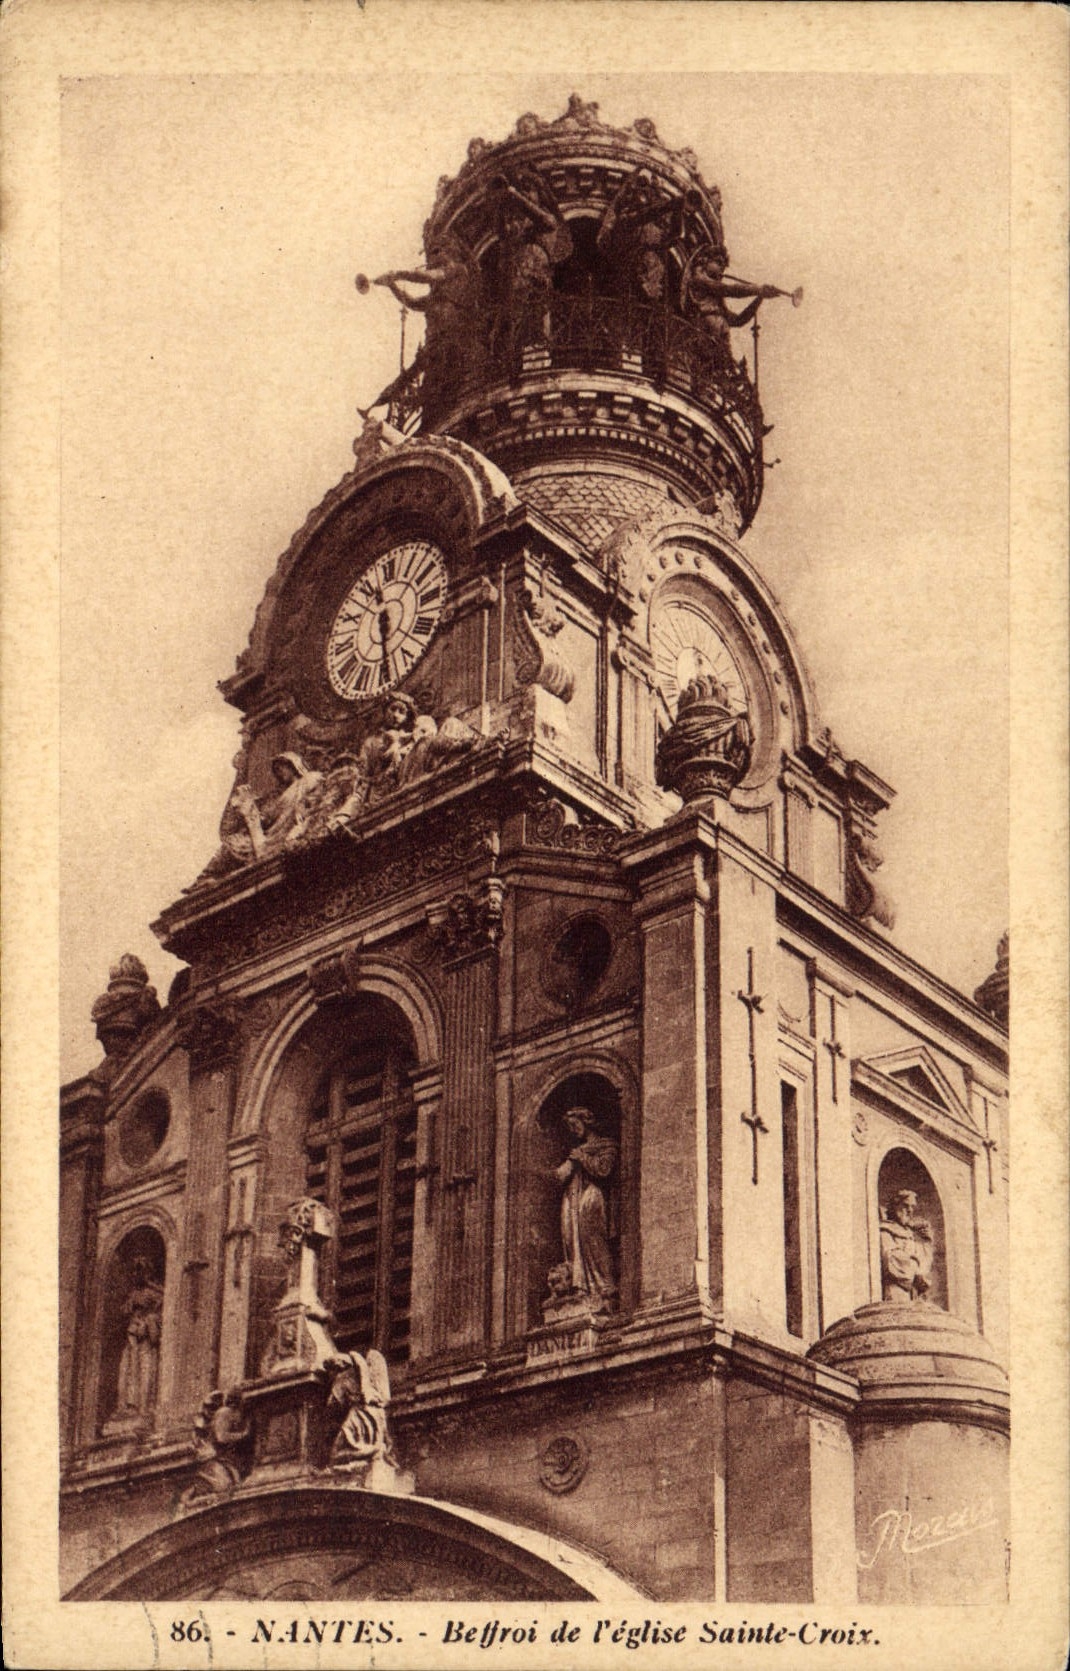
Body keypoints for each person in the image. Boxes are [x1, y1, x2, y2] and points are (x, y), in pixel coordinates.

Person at [548, 1108, 619, 1311]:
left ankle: (603, 1286)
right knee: (571, 1239)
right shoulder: (576, 1152)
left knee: (592, 1239)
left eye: (574, 1124)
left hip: (591, 1196)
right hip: (572, 1198)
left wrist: (582, 1158)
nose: (572, 1130)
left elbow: (603, 1170)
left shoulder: (606, 1146)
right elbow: (559, 1177)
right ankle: (580, 1285)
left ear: (586, 1121)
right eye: (569, 1127)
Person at [113, 1256, 164, 1418]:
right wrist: (133, 1319)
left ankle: (144, 1407)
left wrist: (148, 1323)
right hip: (132, 1339)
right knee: (128, 1371)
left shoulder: (156, 1293)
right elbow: (124, 1311)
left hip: (146, 1340)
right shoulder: (134, 1294)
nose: (136, 1274)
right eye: (135, 1271)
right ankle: (127, 1406)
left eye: (140, 1270)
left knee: (145, 1370)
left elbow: (160, 1314)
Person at [879, 1189, 934, 1303]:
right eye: (905, 1206)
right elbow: (890, 1257)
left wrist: (925, 1242)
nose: (909, 1210)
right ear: (895, 1206)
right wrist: (915, 1268)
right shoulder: (886, 1230)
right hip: (896, 1289)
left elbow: (924, 1264)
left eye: (912, 1207)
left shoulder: (911, 1234)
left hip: (913, 1292)